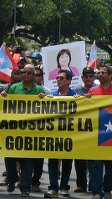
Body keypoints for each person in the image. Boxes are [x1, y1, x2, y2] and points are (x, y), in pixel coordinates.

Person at [85, 64, 112, 199]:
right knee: (95, 163)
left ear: (110, 75)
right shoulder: (92, 91)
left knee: (110, 165)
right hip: (96, 133)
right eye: (99, 73)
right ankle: (97, 191)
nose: (100, 74)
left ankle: (107, 189)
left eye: (103, 72)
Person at [6, 64, 45, 197]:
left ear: (34, 76)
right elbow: (6, 106)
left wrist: (44, 98)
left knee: (28, 161)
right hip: (14, 130)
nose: (26, 74)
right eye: (24, 72)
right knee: (11, 159)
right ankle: (11, 180)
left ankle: (25, 188)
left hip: (31, 132)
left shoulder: (39, 90)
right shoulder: (14, 88)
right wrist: (3, 96)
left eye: (29, 73)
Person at [44, 69, 78, 198]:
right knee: (52, 161)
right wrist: (44, 98)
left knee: (67, 162)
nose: (58, 80)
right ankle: (53, 187)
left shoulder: (75, 95)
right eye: (57, 78)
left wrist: (79, 100)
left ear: (69, 81)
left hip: (69, 134)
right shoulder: (52, 95)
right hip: (54, 134)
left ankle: (64, 187)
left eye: (61, 78)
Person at [71, 67, 96, 193]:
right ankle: (81, 184)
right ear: (82, 78)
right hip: (79, 129)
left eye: (91, 76)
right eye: (86, 76)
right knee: (79, 159)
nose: (88, 79)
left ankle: (94, 184)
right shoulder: (76, 90)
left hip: (95, 129)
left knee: (93, 159)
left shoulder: (97, 90)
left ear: (94, 78)